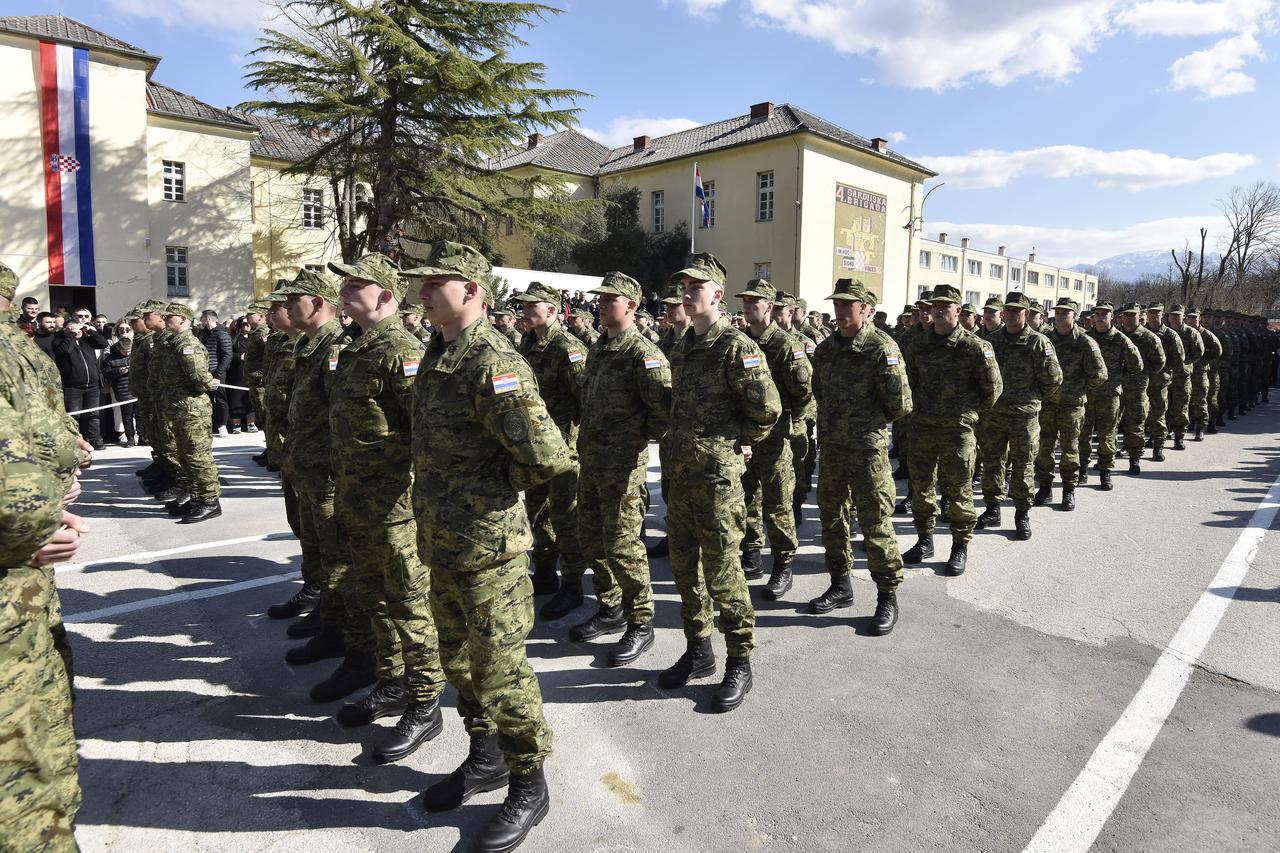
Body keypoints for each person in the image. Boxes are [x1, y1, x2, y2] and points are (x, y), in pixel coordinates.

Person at [404, 242, 570, 852]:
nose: (419, 292)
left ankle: (530, 782)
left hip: (487, 549)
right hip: (442, 542)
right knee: (459, 663)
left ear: (471, 290)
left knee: (500, 671)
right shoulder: (438, 351)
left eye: (433, 283)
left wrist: (489, 491)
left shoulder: (492, 361)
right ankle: (485, 756)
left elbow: (548, 455)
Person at [326, 252, 447, 762]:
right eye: (346, 283)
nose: (347, 290)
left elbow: (424, 432)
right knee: (374, 597)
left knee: (410, 605)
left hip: (395, 505)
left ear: (386, 296)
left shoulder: (401, 350)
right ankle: (392, 681)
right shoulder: (356, 346)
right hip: (359, 498)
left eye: (358, 284)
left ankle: (425, 701)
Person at [660, 252, 780, 713]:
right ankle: (698, 650)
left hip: (716, 481)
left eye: (698, 286)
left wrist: (737, 445)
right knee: (684, 570)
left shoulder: (737, 347)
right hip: (681, 477)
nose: (688, 293)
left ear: (718, 294)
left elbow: (766, 410)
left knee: (723, 571)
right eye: (684, 286)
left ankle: (739, 660)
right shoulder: (684, 345)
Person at [278, 270, 372, 703]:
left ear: (315, 303)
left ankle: (351, 644)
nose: (283, 306)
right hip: (311, 470)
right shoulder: (309, 344)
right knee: (319, 554)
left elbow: (343, 418)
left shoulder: (335, 346)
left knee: (339, 566)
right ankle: (330, 625)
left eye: (292, 298)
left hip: (332, 475)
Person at [570, 271, 671, 666]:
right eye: (600, 298)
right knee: (592, 539)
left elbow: (661, 414)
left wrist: (631, 439)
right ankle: (610, 607)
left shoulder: (643, 355)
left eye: (609, 299)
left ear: (630, 305)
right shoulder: (599, 348)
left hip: (623, 467)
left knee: (624, 546)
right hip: (592, 461)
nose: (600, 304)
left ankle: (641, 620)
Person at [811, 278, 914, 629]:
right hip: (834, 448)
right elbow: (819, 394)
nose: (840, 311)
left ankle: (887, 595)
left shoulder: (882, 348)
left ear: (865, 309)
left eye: (847, 305)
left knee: (875, 521)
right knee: (833, 519)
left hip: (867, 450)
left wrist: (864, 421)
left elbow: (900, 404)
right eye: (836, 304)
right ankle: (840, 585)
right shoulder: (825, 350)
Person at [904, 284, 1002, 574]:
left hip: (957, 430)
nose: (938, 310)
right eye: (935, 305)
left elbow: (993, 389)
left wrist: (969, 415)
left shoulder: (975, 347)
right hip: (923, 427)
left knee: (958, 490)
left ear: (958, 311)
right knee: (921, 487)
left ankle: (959, 545)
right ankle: (925, 540)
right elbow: (909, 382)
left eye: (945, 306)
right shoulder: (918, 345)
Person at [513, 282, 589, 618]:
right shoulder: (528, 343)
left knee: (566, 517)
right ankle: (545, 574)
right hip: (534, 448)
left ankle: (572, 585)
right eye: (524, 305)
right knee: (538, 511)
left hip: (562, 448)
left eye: (533, 306)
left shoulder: (567, 347)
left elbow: (585, 398)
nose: (526, 310)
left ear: (552, 311)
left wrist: (575, 442)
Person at [735, 278, 812, 598]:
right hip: (745, 436)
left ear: (769, 307)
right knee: (746, 497)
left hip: (778, 436)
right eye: (746, 300)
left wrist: (790, 425)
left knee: (778, 502)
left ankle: (783, 564)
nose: (748, 305)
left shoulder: (785, 344)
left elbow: (803, 392)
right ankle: (752, 553)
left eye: (755, 301)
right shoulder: (738, 341)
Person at [976, 291, 1062, 540]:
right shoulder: (992, 341)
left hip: (1024, 416)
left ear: (1026, 313)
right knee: (992, 462)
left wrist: (1033, 398)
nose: (1012, 314)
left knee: (1023, 465)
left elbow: (1053, 378)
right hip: (995, 414)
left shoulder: (1038, 342)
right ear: (1003, 313)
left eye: (1017, 310)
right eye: (1009, 310)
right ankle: (992, 509)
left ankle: (1022, 514)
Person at [1032, 297, 1106, 511]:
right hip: (1047, 404)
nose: (1061, 316)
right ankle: (1045, 487)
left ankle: (1068, 490)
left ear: (1074, 315)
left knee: (1069, 449)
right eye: (1058, 312)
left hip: (1071, 405)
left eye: (1066, 312)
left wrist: (1079, 390)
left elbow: (1100, 375)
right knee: (1044, 448)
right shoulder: (1044, 339)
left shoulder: (1085, 342)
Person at [158, 303, 223, 523]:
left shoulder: (188, 344)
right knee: (186, 457)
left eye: (171, 317)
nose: (166, 319)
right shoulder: (174, 342)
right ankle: (196, 497)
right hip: (179, 407)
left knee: (198, 456)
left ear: (184, 320)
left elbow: (198, 377)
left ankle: (209, 501)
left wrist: (208, 382)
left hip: (192, 409)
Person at [1079, 302, 1143, 491]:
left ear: (1112, 317)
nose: (1099, 318)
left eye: (1104, 314)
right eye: (1097, 314)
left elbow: (1136, 365)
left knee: (1107, 434)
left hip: (1109, 395)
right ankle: (1082, 469)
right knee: (1083, 433)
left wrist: (1118, 378)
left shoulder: (1120, 339)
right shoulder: (1085, 338)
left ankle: (1105, 472)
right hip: (1088, 394)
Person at [50, 308, 110, 449]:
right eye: (74, 329)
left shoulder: (86, 340)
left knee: (93, 414)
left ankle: (95, 438)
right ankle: (75, 440)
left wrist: (90, 330)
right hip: (72, 386)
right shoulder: (60, 341)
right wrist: (70, 334)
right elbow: (64, 351)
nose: (78, 331)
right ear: (66, 329)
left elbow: (103, 343)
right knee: (74, 415)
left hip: (92, 385)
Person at [1116, 302, 1165, 474]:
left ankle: (1134, 459)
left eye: (1133, 315)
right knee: (1111, 424)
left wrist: (1143, 375)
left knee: (1135, 424)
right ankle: (1106, 458)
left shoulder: (1149, 338)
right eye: (1126, 315)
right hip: (1115, 387)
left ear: (1139, 316)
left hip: (1137, 388)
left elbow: (1159, 362)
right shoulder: (1116, 336)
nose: (1129, 318)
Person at [1143, 303, 1184, 462]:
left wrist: (1166, 372)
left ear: (1163, 314)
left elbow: (1179, 359)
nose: (1154, 315)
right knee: (1139, 414)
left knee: (1158, 414)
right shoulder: (1141, 333)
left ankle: (1158, 447)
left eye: (1157, 312)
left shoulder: (1170, 335)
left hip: (1160, 381)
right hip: (1141, 381)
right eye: (1151, 312)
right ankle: (1139, 444)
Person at [1165, 304, 1203, 450]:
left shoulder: (1191, 333)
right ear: (1168, 317)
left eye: (1177, 315)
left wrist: (1185, 363)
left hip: (1182, 376)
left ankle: (1179, 437)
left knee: (1181, 407)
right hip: (1165, 375)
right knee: (1163, 406)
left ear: (1183, 317)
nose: (1174, 318)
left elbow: (1198, 353)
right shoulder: (1165, 333)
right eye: (1172, 315)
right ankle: (1162, 434)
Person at [100, 320, 140, 446]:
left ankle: (143, 436)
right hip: (122, 390)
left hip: (137, 390)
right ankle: (129, 438)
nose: (126, 353)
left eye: (127, 329)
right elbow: (106, 372)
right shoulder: (111, 356)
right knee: (126, 416)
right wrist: (119, 371)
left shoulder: (136, 353)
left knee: (140, 415)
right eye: (124, 352)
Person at [198, 310, 235, 436]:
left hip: (217, 372)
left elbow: (227, 354)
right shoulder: (203, 334)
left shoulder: (222, 333)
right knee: (206, 400)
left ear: (208, 319)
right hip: (204, 372)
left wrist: (218, 374)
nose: (200, 320)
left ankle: (222, 426)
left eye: (202, 318)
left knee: (220, 399)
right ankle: (209, 425)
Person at [226, 317, 253, 434]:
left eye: (249, 323)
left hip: (251, 371)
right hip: (237, 372)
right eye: (244, 324)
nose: (247, 326)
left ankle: (251, 423)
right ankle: (236, 424)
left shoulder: (255, 338)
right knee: (236, 398)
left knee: (250, 399)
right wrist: (239, 356)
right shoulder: (233, 338)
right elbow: (227, 354)